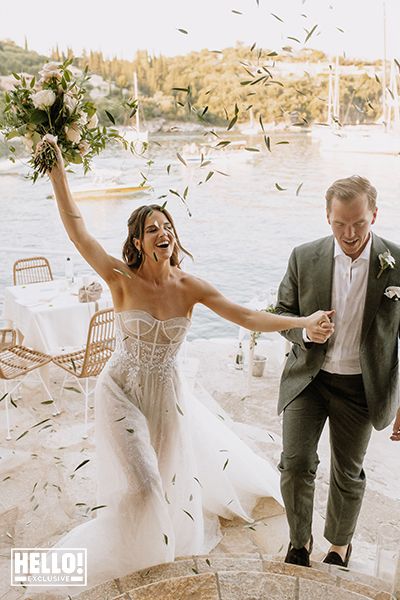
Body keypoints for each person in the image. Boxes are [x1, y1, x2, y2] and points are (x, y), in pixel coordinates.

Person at [24, 136, 333, 597]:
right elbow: (77, 231)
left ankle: (154, 551)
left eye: (165, 224)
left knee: (165, 486)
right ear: (138, 241)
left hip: (167, 395)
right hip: (121, 388)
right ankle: (131, 556)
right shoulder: (119, 277)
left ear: (174, 237)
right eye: (151, 227)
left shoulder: (191, 287)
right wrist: (57, 173)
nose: (161, 231)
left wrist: (305, 321)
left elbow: (248, 317)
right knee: (145, 483)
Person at [276, 175, 400, 569]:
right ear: (327, 217)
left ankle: (339, 547)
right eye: (339, 223)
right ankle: (299, 542)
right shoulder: (303, 256)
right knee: (295, 464)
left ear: (374, 215)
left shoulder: (397, 263)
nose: (349, 233)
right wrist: (305, 330)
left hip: (362, 388)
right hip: (308, 380)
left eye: (359, 223)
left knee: (348, 472)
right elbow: (280, 314)